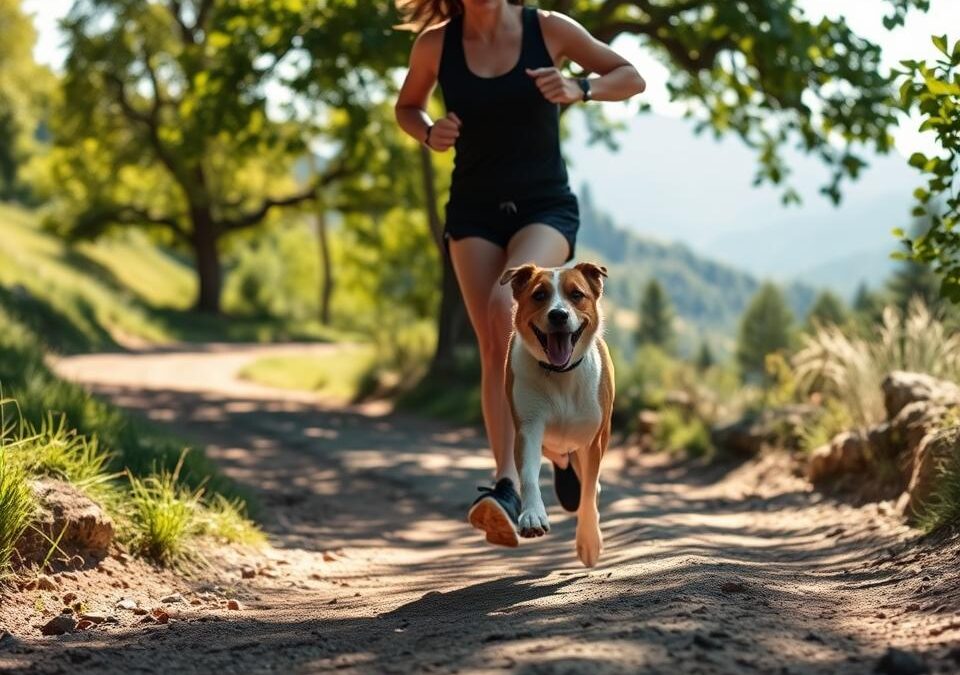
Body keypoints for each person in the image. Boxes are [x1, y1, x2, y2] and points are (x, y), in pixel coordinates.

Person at [395, 0, 645, 544]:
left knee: (503, 304)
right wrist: (429, 131)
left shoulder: (548, 28)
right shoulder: (436, 43)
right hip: (473, 210)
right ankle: (509, 482)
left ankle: (554, 453)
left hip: (544, 205)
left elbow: (631, 77)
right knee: (492, 343)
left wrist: (580, 89)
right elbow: (408, 107)